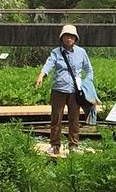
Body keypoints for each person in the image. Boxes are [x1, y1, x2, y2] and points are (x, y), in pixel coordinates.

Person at [36, 24, 93, 155]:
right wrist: (42, 75)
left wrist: (87, 82)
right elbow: (49, 64)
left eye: (72, 36)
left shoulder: (81, 52)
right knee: (56, 119)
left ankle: (73, 145)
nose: (69, 39)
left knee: (74, 119)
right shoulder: (56, 52)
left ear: (75, 38)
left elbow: (89, 69)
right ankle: (55, 145)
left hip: (75, 91)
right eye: (66, 36)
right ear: (62, 38)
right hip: (59, 90)